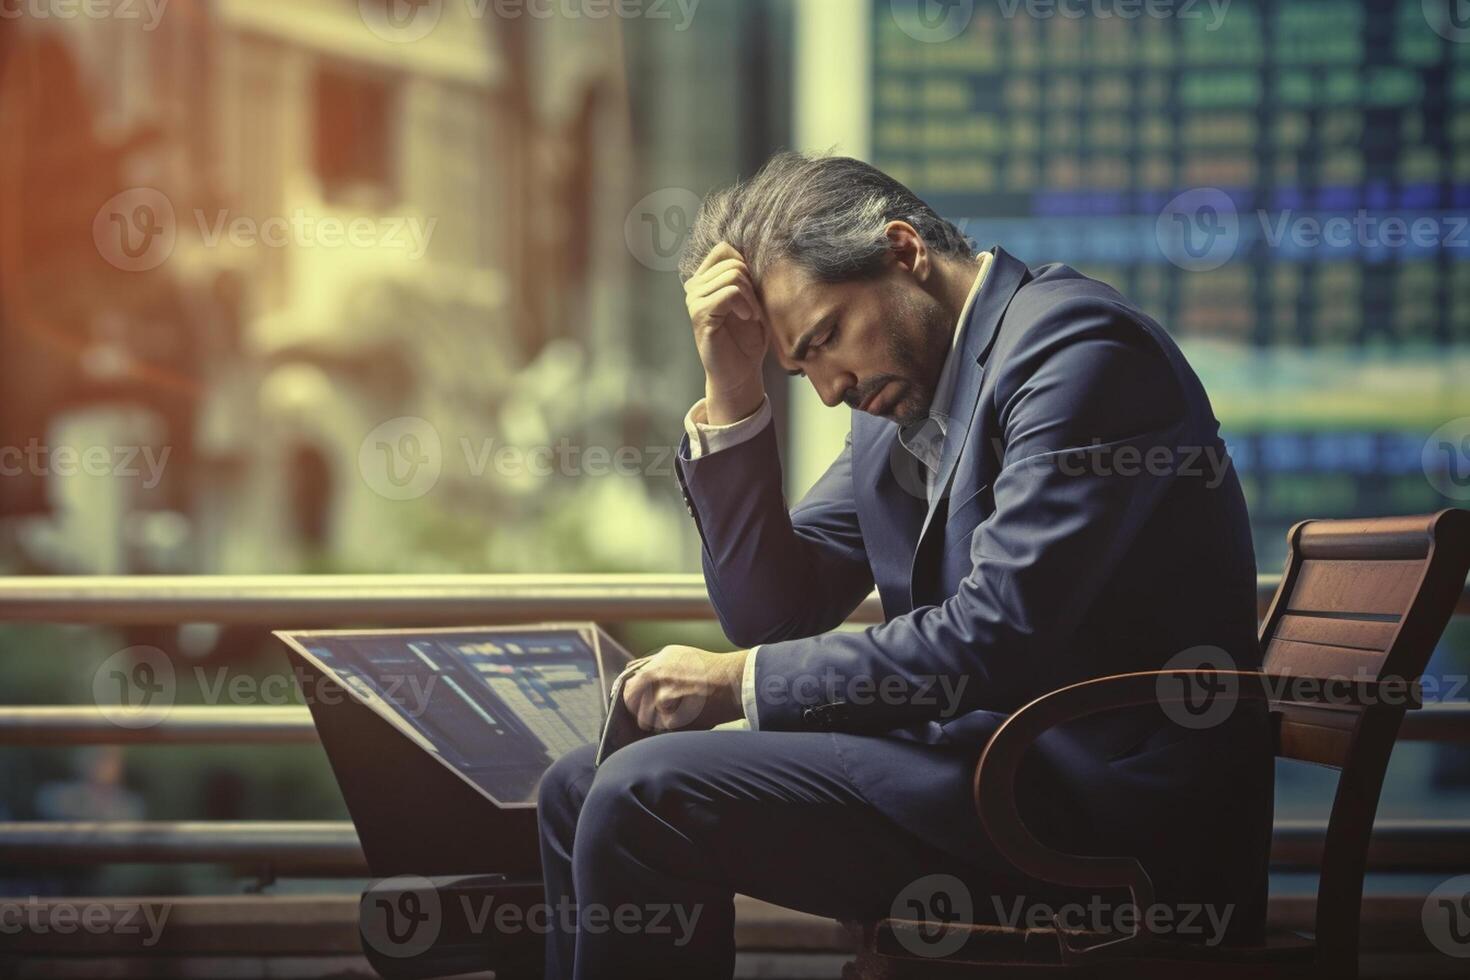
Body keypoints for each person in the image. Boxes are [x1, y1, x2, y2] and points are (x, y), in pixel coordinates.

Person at [536, 152, 1273, 980]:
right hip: (979, 775)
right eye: (798, 367)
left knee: (646, 794)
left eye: (826, 339)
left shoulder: (1077, 353)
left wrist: (734, 683)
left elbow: (994, 637)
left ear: (903, 252)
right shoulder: (895, 408)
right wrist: (732, 388)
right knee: (579, 785)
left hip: (1098, 821)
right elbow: (774, 613)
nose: (827, 388)